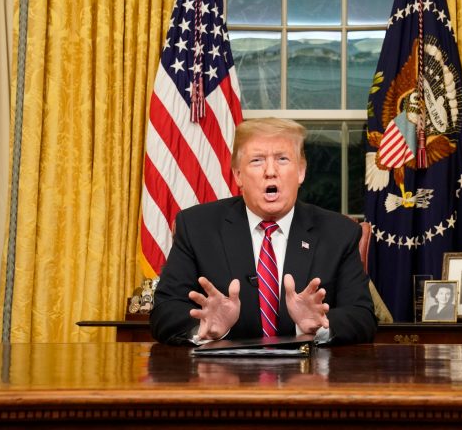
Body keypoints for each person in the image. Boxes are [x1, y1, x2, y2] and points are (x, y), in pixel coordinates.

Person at [150, 118, 377, 345]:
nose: (270, 171)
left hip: (309, 375)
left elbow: (362, 317)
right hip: (222, 375)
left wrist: (320, 324)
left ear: (301, 172)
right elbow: (164, 312)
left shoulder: (339, 233)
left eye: (282, 159)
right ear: (238, 175)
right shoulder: (197, 227)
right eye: (257, 161)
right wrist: (204, 328)